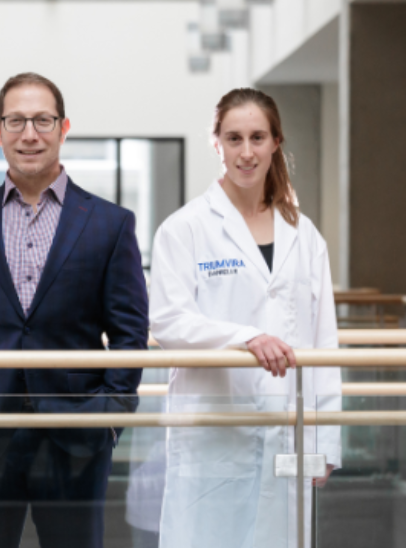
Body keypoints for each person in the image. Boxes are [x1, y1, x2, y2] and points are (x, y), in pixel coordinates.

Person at [0, 72, 149, 548]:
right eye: (16, 120)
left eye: (42, 120)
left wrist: (109, 416)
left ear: (64, 128)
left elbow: (129, 334)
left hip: (77, 435)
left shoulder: (109, 224)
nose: (29, 133)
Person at [149, 88, 341, 547]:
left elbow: (323, 340)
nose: (247, 152)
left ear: (276, 142)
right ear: (216, 143)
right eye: (234, 138)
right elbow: (169, 322)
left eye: (258, 137)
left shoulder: (303, 233)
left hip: (287, 435)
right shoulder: (185, 228)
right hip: (214, 435)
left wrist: (326, 441)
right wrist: (247, 337)